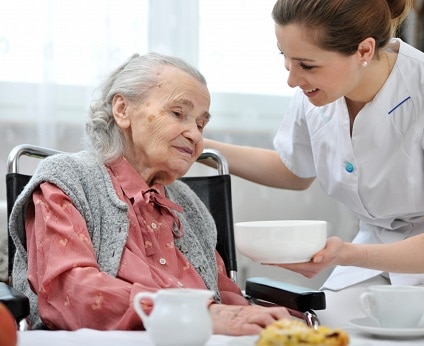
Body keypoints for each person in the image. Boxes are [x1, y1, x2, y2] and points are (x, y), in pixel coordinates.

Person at [204, 0, 424, 328]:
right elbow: (293, 170)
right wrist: (200, 147)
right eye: (284, 57)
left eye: (307, 65)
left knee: (408, 330)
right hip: (375, 253)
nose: (292, 79)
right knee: (321, 326)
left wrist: (343, 254)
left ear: (364, 50)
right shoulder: (317, 92)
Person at [8, 52, 290, 334]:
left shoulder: (189, 206)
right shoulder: (67, 181)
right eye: (178, 114)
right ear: (122, 110)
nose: (195, 135)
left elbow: (223, 294)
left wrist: (268, 322)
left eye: (201, 124)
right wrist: (199, 315)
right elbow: (69, 292)